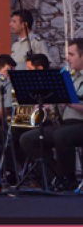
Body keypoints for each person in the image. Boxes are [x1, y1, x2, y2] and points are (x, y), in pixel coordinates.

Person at [19, 37, 83, 190]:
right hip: (65, 124)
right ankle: (54, 177)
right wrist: (48, 104)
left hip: (80, 125)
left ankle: (68, 179)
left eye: (71, 54)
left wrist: (69, 102)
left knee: (62, 135)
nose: (67, 58)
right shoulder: (70, 76)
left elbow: (71, 103)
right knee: (28, 138)